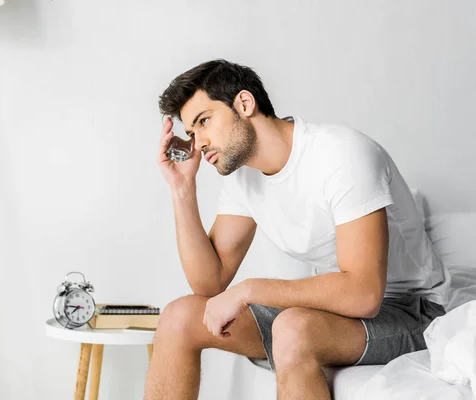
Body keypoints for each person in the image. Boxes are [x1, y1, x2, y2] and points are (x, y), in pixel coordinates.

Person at [144, 59, 450, 400]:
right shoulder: (243, 177)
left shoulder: (342, 154)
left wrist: (249, 291)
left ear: (245, 104)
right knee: (179, 317)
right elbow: (209, 283)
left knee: (292, 328)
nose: (198, 142)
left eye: (204, 122)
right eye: (191, 133)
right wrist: (182, 191)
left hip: (412, 311)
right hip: (334, 313)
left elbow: (363, 294)